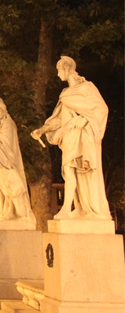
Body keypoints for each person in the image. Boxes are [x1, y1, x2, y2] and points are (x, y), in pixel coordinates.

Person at [31, 56, 111, 220]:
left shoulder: (87, 88)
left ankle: (69, 207)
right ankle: (79, 207)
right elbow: (59, 119)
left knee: (72, 169)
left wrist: (85, 119)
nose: (58, 74)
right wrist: (42, 130)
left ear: (67, 69)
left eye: (59, 70)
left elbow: (101, 109)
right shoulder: (65, 94)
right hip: (69, 136)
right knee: (70, 171)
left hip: (82, 135)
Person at [0, 98, 36, 225]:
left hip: (7, 161)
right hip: (1, 160)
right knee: (0, 187)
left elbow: (8, 145)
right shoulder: (2, 126)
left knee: (9, 187)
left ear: (5, 111)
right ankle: (3, 212)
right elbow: (2, 144)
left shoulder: (8, 125)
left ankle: (10, 212)